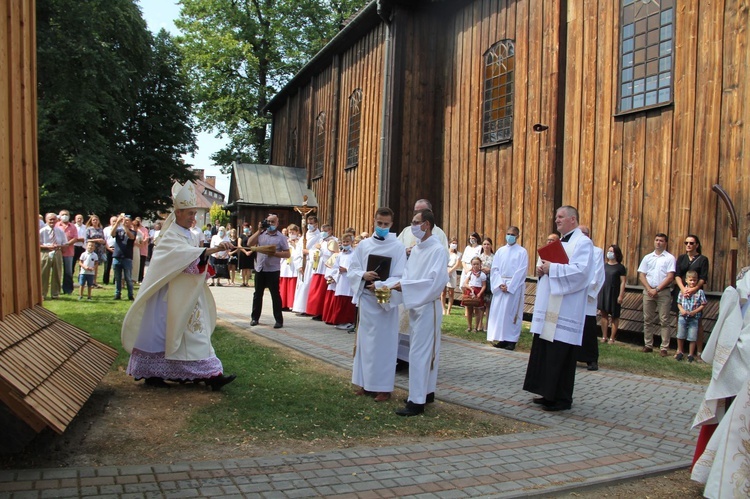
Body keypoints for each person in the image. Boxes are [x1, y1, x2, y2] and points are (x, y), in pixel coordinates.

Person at [122, 181, 236, 390]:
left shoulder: (188, 235)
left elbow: (191, 260)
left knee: (195, 334)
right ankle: (153, 373)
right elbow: (178, 258)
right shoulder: (170, 235)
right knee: (163, 335)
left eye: (194, 214)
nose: (194, 218)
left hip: (186, 294)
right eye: (190, 214)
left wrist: (209, 253)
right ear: (178, 213)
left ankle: (212, 374)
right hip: (166, 295)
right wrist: (209, 250)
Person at [524, 205, 593, 412]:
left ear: (573, 219)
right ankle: (547, 393)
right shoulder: (559, 242)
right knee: (546, 350)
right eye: (556, 217)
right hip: (551, 306)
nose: (557, 220)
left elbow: (581, 272)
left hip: (567, 309)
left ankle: (561, 398)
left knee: (561, 353)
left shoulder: (583, 243)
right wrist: (542, 269)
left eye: (561, 217)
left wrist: (551, 268)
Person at [391, 209, 449, 416]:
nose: (412, 226)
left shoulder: (438, 250)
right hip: (414, 304)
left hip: (428, 306)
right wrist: (402, 284)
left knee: (420, 353)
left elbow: (435, 282)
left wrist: (406, 287)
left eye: (416, 222)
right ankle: (426, 391)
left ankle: (416, 401)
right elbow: (408, 274)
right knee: (421, 351)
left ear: (426, 225)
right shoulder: (416, 250)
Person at [347, 207, 406, 402]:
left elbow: (400, 276)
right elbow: (352, 269)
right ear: (374, 221)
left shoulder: (397, 246)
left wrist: (380, 285)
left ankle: (383, 387)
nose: (382, 227)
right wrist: (363, 275)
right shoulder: (364, 245)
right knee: (366, 343)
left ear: (391, 224)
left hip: (383, 301)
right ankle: (365, 383)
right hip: (366, 299)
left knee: (384, 344)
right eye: (379, 223)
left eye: (386, 224)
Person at [487, 226, 528, 351]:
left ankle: (511, 340)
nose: (509, 236)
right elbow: (495, 268)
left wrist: (510, 286)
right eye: (508, 233)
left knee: (511, 313)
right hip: (500, 284)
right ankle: (501, 338)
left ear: (517, 236)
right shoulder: (500, 251)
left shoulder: (522, 252)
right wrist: (499, 283)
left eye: (512, 234)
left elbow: (522, 271)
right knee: (500, 313)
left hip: (513, 286)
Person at [246, 214, 291, 329]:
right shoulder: (261, 234)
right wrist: (259, 230)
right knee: (257, 294)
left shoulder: (281, 237)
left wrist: (275, 254)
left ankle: (278, 320)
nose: (270, 224)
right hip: (260, 268)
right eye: (268, 221)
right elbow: (249, 243)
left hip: (273, 270)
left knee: (275, 295)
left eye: (272, 222)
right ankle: (255, 318)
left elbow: (287, 253)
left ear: (277, 223)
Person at [637, 233, 676, 356]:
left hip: (663, 292)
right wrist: (649, 288)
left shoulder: (669, 258)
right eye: (657, 240)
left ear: (665, 243)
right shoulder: (648, 257)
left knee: (664, 320)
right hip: (648, 291)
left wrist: (657, 289)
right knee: (647, 319)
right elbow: (641, 274)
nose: (658, 242)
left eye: (661, 241)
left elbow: (670, 277)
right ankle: (648, 344)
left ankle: (664, 347)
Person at [673, 235, 710, 356]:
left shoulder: (702, 259)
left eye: (691, 243)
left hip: (696, 293)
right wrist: (683, 289)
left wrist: (693, 289)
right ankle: (680, 350)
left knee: (697, 321)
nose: (688, 245)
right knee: (680, 319)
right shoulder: (682, 258)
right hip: (682, 292)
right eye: (686, 243)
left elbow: (703, 278)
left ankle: (698, 351)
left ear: (697, 245)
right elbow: (677, 274)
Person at [575, 225, 605, 371]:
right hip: (573, 295)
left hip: (587, 296)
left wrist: (585, 291)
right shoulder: (574, 250)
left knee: (588, 328)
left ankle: (591, 359)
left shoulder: (597, 251)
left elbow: (597, 274)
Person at [675, 270, 707, 363]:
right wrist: (681, 310)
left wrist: (695, 312)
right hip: (683, 316)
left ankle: (690, 354)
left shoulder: (700, 292)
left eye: (694, 280)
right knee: (680, 334)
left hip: (694, 317)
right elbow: (679, 303)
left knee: (692, 336)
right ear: (686, 280)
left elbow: (703, 304)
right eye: (691, 280)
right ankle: (680, 352)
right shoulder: (682, 291)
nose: (692, 282)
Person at [598, 244, 627, 344]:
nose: (609, 253)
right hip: (604, 291)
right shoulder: (604, 266)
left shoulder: (620, 267)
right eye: (609, 251)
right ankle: (604, 336)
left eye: (612, 251)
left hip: (614, 292)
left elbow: (623, 282)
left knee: (614, 316)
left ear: (616, 254)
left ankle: (612, 337)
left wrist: (621, 295)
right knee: (604, 314)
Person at [306, 224, 336, 319]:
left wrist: (321, 248)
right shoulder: (322, 240)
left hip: (325, 268)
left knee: (322, 291)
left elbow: (333, 253)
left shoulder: (334, 240)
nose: (322, 233)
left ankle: (322, 312)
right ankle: (315, 311)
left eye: (325, 231)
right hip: (318, 266)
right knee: (315, 290)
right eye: (322, 230)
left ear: (330, 231)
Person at [292, 215, 321, 314]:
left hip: (311, 264)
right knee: (301, 284)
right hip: (302, 263)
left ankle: (307, 308)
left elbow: (319, 250)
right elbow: (297, 250)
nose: (310, 225)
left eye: (312, 223)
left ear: (316, 224)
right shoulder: (305, 235)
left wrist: (309, 252)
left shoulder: (319, 236)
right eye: (309, 224)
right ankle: (300, 307)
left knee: (308, 285)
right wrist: (299, 265)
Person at [328, 233, 357, 329]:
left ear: (352, 242)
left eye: (347, 241)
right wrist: (335, 274)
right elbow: (335, 267)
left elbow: (357, 268)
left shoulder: (355, 254)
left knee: (348, 302)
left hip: (349, 282)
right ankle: (340, 321)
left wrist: (347, 270)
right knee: (340, 301)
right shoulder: (340, 255)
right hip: (341, 281)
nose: (345, 243)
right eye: (344, 242)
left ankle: (348, 321)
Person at [40, 212, 68, 300]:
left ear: (57, 220)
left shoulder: (60, 231)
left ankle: (55, 293)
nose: (52, 221)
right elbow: (37, 244)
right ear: (46, 220)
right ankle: (42, 294)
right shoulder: (42, 231)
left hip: (57, 252)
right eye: (50, 219)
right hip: (45, 252)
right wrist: (48, 246)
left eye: (54, 219)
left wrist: (59, 246)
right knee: (43, 273)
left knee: (57, 273)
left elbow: (65, 243)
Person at [111, 214, 136, 301]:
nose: (125, 222)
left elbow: (131, 237)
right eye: (124, 220)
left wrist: (125, 227)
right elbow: (112, 233)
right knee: (117, 278)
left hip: (127, 257)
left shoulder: (133, 231)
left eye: (127, 220)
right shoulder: (118, 231)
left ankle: (130, 294)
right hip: (117, 256)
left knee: (128, 278)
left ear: (131, 222)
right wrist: (117, 222)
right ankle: (117, 294)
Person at [460, 257, 486, 332]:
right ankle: (469, 326)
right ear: (471, 264)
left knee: (477, 310)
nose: (475, 266)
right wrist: (471, 288)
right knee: (469, 309)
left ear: (480, 264)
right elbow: (465, 283)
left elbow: (484, 285)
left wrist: (480, 293)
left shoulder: (482, 275)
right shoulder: (470, 273)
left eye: (477, 264)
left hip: (478, 291)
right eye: (474, 264)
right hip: (470, 291)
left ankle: (476, 327)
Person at [56, 209, 78, 295]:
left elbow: (75, 238)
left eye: (66, 214)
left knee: (68, 271)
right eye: (63, 214)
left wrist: (66, 244)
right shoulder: (56, 225)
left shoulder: (73, 226)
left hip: (69, 252)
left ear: (69, 216)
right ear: (59, 216)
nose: (64, 216)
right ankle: (56, 289)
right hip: (57, 251)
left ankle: (68, 290)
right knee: (57, 271)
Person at [279, 224, 301, 308]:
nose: (291, 234)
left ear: (297, 232)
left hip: (294, 265)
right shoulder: (286, 241)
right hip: (286, 264)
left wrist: (295, 245)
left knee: (292, 284)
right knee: (284, 283)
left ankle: (291, 304)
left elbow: (300, 252)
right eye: (289, 232)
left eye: (293, 232)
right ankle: (283, 304)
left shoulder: (300, 241)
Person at [477, 237, 494, 331]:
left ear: (491, 245)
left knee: (488, 304)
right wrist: (481, 269)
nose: (486, 246)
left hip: (490, 282)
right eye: (484, 244)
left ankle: (487, 325)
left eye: (488, 244)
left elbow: (497, 269)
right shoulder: (479, 257)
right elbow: (474, 267)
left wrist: (489, 270)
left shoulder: (494, 257)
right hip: (480, 282)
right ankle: (479, 324)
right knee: (480, 304)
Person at [84, 214, 107, 287]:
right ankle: (88, 281)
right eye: (94, 220)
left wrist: (102, 241)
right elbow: (87, 239)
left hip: (99, 249)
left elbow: (103, 238)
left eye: (96, 220)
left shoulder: (100, 229)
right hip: (91, 248)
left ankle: (94, 281)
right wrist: (96, 240)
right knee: (89, 263)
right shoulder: (89, 229)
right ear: (91, 221)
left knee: (96, 265)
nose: (95, 221)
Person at [442, 237, 462, 315]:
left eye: (456, 243)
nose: (454, 245)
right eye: (453, 243)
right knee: (443, 292)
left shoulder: (458, 254)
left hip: (452, 272)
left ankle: (449, 310)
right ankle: (443, 308)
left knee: (451, 292)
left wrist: (450, 271)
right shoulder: (445, 252)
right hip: (444, 270)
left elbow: (457, 264)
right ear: (449, 243)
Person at [237, 223, 254, 287]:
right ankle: (243, 282)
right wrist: (245, 252)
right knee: (243, 268)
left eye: (246, 227)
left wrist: (250, 251)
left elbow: (254, 244)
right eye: (244, 227)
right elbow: (239, 245)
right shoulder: (241, 235)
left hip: (250, 253)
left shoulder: (251, 235)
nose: (245, 228)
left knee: (248, 268)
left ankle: (247, 282)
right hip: (243, 253)